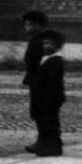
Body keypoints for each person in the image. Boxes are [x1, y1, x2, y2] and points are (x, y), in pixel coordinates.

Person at [28, 29, 66, 157]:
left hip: (50, 98)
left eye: (49, 43)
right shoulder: (47, 59)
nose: (45, 46)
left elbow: (52, 83)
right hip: (43, 97)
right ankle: (44, 144)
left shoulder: (56, 61)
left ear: (57, 46)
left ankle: (54, 147)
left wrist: (47, 98)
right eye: (44, 43)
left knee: (51, 123)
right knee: (43, 122)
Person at [23, 11, 51, 148]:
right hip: (36, 83)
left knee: (43, 113)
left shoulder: (44, 42)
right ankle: (43, 141)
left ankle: (46, 143)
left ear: (41, 25)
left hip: (43, 84)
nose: (28, 28)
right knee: (37, 112)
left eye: (32, 24)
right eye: (27, 24)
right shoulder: (35, 40)